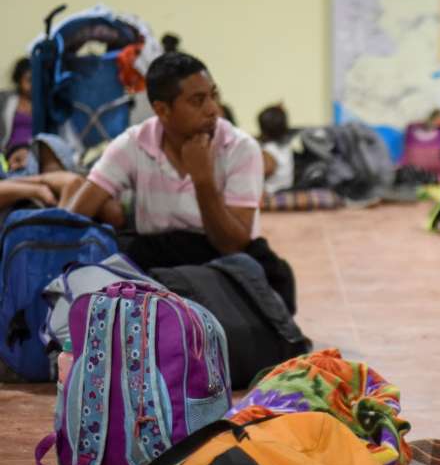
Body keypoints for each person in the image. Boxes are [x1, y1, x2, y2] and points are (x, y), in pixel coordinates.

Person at [65, 51, 296, 311]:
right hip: (157, 267)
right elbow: (73, 218)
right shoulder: (133, 144)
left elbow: (233, 245)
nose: (212, 109)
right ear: (162, 110)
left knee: (269, 278)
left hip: (222, 267)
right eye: (198, 100)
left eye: (213, 95)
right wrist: (102, 208)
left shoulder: (240, 148)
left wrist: (204, 180)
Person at [258, 103, 295, 195]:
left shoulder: (268, 151)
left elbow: (264, 171)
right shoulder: (286, 147)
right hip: (286, 189)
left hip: (271, 192)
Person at [1, 57, 34, 157]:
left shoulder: (43, 103)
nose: (32, 85)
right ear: (19, 79)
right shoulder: (5, 99)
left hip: (34, 153)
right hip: (8, 152)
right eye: (29, 80)